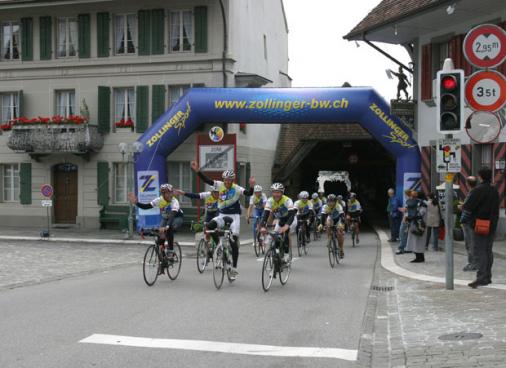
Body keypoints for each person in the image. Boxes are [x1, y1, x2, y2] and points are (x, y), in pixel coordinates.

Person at [190, 161, 255, 280]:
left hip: (234, 216)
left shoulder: (237, 188)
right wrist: (198, 170)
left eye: (230, 180)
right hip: (222, 215)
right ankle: (219, 243)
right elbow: (207, 181)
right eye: (226, 179)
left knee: (233, 241)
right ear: (223, 179)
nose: (227, 182)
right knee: (209, 226)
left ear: (233, 180)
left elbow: (249, 193)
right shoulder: (219, 185)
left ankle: (234, 268)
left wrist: (251, 186)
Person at [128, 184, 183, 271]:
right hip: (165, 218)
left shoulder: (174, 201)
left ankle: (171, 252)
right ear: (163, 194)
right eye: (167, 193)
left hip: (176, 218)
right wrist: (136, 203)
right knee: (160, 237)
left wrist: (167, 226)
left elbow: (172, 215)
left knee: (169, 229)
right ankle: (163, 261)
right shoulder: (159, 200)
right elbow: (146, 207)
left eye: (171, 193)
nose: (170, 195)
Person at [461, 168, 499, 288]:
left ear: (480, 177)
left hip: (479, 224)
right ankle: (487, 277)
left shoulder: (478, 190)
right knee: (488, 251)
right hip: (492, 224)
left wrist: (462, 206)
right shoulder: (494, 190)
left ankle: (481, 278)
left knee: (480, 251)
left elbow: (468, 206)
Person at [260, 183, 297, 264]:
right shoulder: (270, 201)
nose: (276, 194)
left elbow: (291, 215)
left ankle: (287, 255)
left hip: (291, 219)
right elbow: (265, 214)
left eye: (278, 192)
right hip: (281, 219)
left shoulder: (287, 200)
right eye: (274, 192)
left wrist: (287, 226)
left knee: (286, 232)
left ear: (282, 192)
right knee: (275, 234)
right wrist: (263, 226)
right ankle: (277, 253)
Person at [460, 176, 478, 271]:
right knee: (471, 244)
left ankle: (473, 264)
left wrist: (462, 207)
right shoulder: (475, 192)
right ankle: (473, 263)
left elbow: (468, 208)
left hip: (469, 222)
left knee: (470, 244)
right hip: (471, 221)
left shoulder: (472, 193)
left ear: (467, 184)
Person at [320, 194, 346, 258]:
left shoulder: (338, 206)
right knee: (327, 224)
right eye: (329, 201)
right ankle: (329, 238)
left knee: (340, 233)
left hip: (338, 219)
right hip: (330, 219)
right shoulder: (325, 206)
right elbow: (323, 216)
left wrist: (342, 224)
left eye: (332, 201)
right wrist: (321, 224)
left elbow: (342, 216)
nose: (330, 203)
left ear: (335, 201)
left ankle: (341, 249)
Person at [405, 192, 427, 262]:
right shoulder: (419, 203)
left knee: (418, 241)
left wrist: (411, 216)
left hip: (419, 225)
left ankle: (420, 257)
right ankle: (419, 257)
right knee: (415, 241)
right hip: (416, 224)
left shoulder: (421, 204)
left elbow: (421, 213)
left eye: (411, 196)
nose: (410, 198)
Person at [396, 190, 414, 255]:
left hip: (406, 219)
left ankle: (401, 248)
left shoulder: (409, 201)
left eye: (405, 194)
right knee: (406, 234)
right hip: (409, 219)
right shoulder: (413, 200)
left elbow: (406, 210)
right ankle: (407, 247)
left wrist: (400, 209)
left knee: (402, 233)